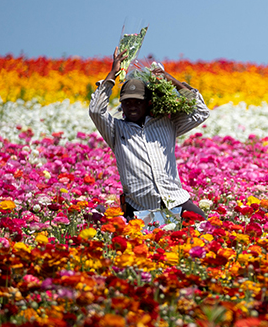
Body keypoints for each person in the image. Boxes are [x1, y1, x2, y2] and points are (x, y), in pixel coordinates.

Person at [89, 45, 210, 224]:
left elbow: (201, 111)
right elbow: (96, 111)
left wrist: (170, 80)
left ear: (148, 103)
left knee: (205, 226)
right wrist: (112, 75)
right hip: (139, 207)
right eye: (127, 102)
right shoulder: (116, 130)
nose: (132, 106)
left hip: (174, 199)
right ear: (121, 105)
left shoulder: (167, 122)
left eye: (138, 101)